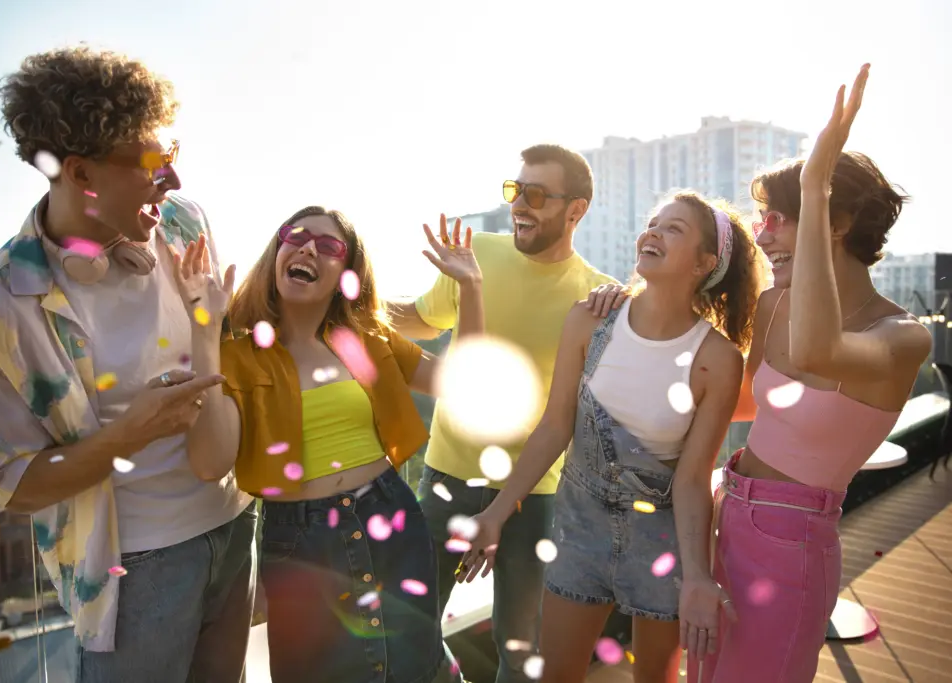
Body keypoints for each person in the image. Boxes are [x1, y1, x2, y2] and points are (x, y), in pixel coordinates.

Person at [0, 47, 256, 682]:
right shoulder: (2, 304)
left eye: (172, 153)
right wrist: (129, 435)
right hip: (135, 572)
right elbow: (14, 484)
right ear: (80, 173)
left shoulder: (183, 221)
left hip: (235, 528)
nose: (173, 180)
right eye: (154, 164)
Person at [459, 190, 763, 683]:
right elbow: (554, 427)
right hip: (580, 526)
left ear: (705, 262)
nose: (653, 233)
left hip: (663, 538)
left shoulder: (719, 359)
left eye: (674, 229)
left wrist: (698, 579)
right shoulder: (590, 319)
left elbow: (691, 479)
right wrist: (496, 512)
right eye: (653, 222)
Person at [689, 66, 932, 683]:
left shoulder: (902, 337)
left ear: (836, 222)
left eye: (779, 217)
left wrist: (817, 180)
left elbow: (822, 352)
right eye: (760, 217)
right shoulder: (773, 305)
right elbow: (736, 405)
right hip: (726, 513)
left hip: (791, 544)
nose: (761, 233)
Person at [173, 208, 483, 683]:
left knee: (416, 667)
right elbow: (209, 461)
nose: (308, 248)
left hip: (390, 517)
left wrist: (470, 289)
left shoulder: (366, 338)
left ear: (347, 274)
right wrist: (202, 330)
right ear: (276, 252)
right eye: (295, 236)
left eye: (330, 246)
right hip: (301, 540)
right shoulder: (237, 354)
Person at [387, 144, 616, 682]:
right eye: (515, 190)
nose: (520, 205)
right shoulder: (477, 254)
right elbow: (418, 321)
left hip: (534, 494)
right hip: (447, 478)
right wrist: (343, 298)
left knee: (520, 648)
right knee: (409, 627)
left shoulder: (595, 298)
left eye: (536, 195)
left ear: (575, 210)